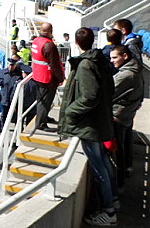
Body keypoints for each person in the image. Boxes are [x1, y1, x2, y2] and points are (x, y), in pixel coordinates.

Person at [58, 27, 118, 226]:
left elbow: (89, 96)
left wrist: (70, 111)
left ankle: (108, 212)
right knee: (104, 160)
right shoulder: (100, 59)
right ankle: (114, 202)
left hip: (90, 125)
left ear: (76, 42)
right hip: (99, 121)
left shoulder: (85, 65)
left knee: (99, 166)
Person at [109, 45, 143, 190]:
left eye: (115, 57)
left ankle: (118, 185)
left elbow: (107, 91)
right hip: (126, 115)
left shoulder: (126, 75)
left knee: (117, 153)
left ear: (125, 56)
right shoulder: (136, 70)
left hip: (118, 117)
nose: (112, 61)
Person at [31, 23, 65, 132]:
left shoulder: (36, 41)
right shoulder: (49, 45)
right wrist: (60, 78)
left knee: (41, 99)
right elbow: (54, 64)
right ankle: (41, 124)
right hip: (47, 78)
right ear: (50, 31)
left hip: (38, 75)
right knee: (45, 101)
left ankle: (44, 117)